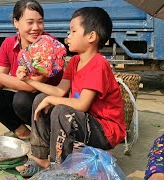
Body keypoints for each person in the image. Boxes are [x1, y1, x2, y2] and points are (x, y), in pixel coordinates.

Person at [15, 7, 126, 176]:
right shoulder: (74, 61)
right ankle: (40, 159)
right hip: (85, 120)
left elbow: (81, 104)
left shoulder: (98, 64)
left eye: (73, 31)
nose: (68, 36)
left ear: (91, 36)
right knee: (40, 99)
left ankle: (58, 169)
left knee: (62, 111)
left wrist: (52, 100)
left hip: (105, 130)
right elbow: (59, 91)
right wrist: (28, 80)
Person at [0, 0, 63, 139]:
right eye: (30, 22)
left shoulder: (48, 44)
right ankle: (23, 132)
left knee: (21, 99)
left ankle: (46, 135)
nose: (36, 27)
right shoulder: (9, 44)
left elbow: (32, 86)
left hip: (52, 101)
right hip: (29, 99)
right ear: (16, 22)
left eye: (40, 22)